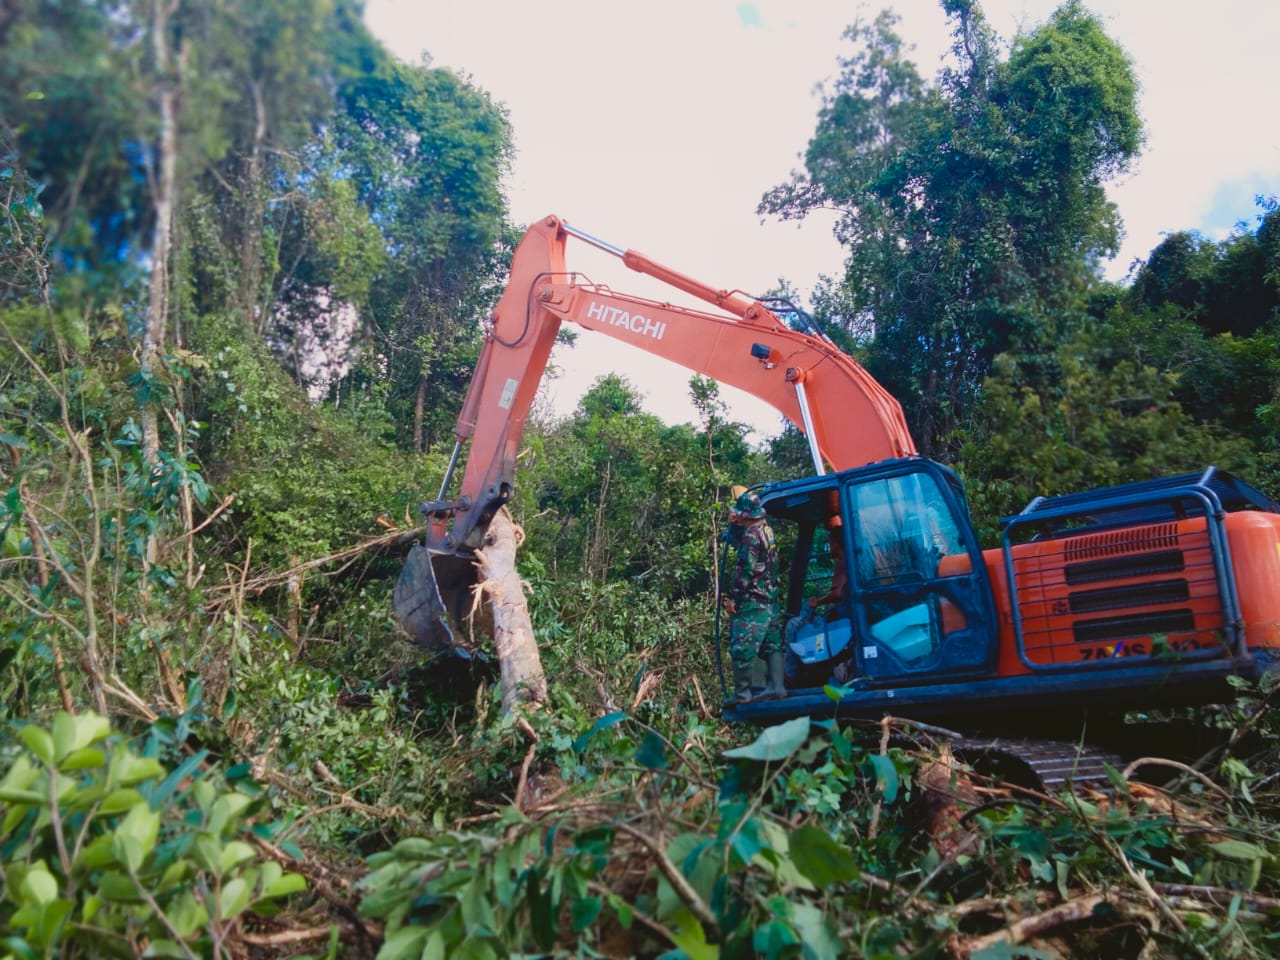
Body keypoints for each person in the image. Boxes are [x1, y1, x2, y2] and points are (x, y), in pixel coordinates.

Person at [724, 489, 786, 703]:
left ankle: (742, 694)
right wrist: (734, 524)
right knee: (772, 645)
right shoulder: (766, 530)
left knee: (742, 646)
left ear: (746, 514)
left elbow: (745, 571)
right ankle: (777, 687)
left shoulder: (751, 535)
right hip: (771, 599)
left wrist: (734, 599)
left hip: (754, 601)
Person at [807, 518, 848, 613]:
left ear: (836, 545)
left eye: (830, 542)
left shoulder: (843, 562)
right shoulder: (847, 559)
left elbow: (837, 594)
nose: (829, 547)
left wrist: (817, 602)